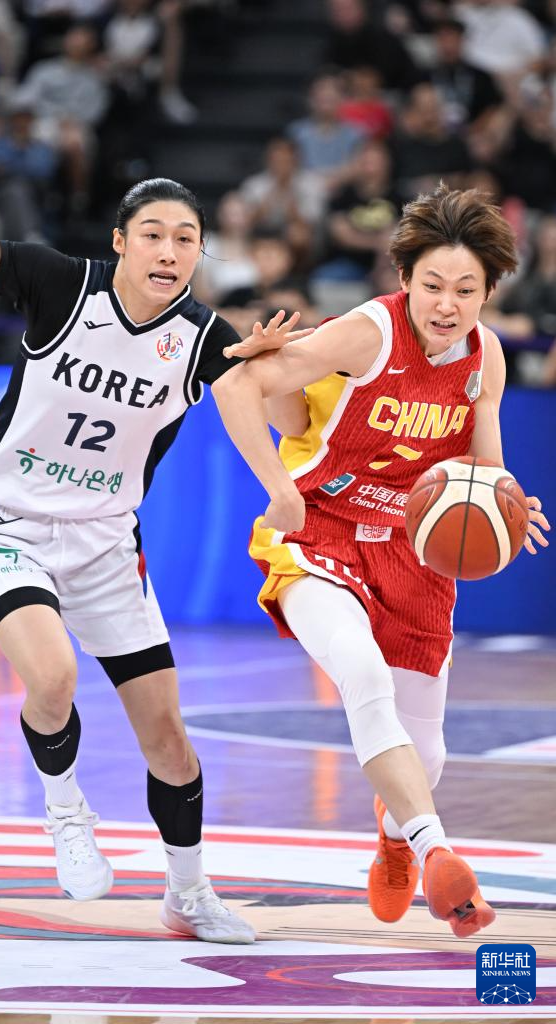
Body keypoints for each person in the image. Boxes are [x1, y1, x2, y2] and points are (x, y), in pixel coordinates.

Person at [0, 84, 309, 943]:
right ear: (119, 242)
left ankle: (188, 894)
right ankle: (64, 808)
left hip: (107, 546)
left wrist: (278, 409)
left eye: (186, 239)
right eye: (153, 234)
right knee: (52, 678)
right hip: (6, 526)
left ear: (200, 254)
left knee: (169, 739)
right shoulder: (58, 283)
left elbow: (264, 409)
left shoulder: (206, 337)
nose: (169, 251)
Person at [212, 183, 550, 938]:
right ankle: (437, 854)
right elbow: (239, 384)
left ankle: (395, 837)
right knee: (360, 672)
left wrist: (504, 505)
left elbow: (483, 469)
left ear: (488, 292)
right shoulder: (368, 332)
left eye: (465, 289)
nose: (446, 303)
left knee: (427, 754)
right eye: (432, 284)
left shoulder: (485, 357)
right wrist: (279, 490)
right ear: (404, 280)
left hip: (412, 549)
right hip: (321, 531)